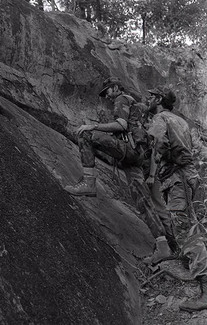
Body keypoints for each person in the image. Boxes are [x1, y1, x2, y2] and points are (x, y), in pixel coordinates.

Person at [65, 77, 178, 260]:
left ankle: (89, 183)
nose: (107, 96)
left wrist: (93, 125)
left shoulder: (121, 99)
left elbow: (122, 124)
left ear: (116, 88)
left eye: (108, 91)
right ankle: (165, 246)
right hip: (137, 156)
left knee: (85, 134)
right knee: (143, 201)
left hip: (130, 150)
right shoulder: (138, 106)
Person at [147, 85, 207, 312]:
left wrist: (157, 163)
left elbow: (159, 143)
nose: (148, 100)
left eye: (151, 97)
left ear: (159, 100)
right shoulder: (180, 120)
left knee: (185, 231)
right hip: (188, 177)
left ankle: (205, 290)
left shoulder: (160, 117)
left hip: (176, 178)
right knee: (191, 225)